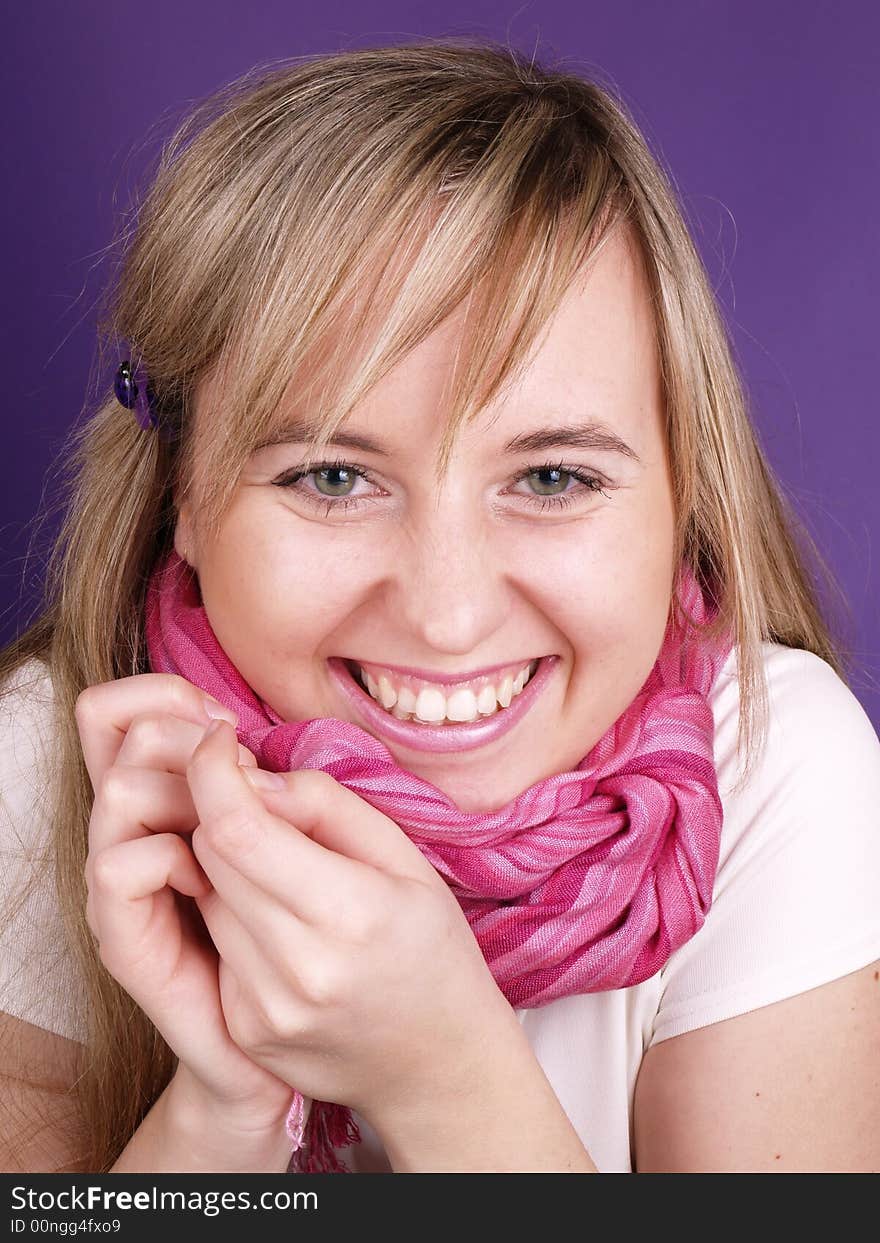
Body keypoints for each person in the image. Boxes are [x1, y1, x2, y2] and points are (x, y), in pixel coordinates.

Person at [1, 38, 878, 1176]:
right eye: (332, 477)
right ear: (185, 496)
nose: (448, 615)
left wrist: (440, 1069)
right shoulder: (47, 768)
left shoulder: (776, 766)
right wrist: (225, 1102)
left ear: (682, 492)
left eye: (552, 478)